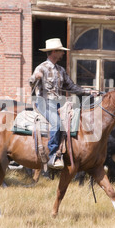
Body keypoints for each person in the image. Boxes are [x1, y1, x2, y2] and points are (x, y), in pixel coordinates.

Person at [29, 38, 94, 170]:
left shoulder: (61, 70)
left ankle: (67, 152)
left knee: (74, 121)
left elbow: (71, 87)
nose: (63, 54)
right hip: (43, 102)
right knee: (57, 123)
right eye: (61, 51)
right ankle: (53, 155)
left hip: (58, 103)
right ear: (54, 52)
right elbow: (31, 81)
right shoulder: (41, 67)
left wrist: (88, 91)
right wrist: (36, 77)